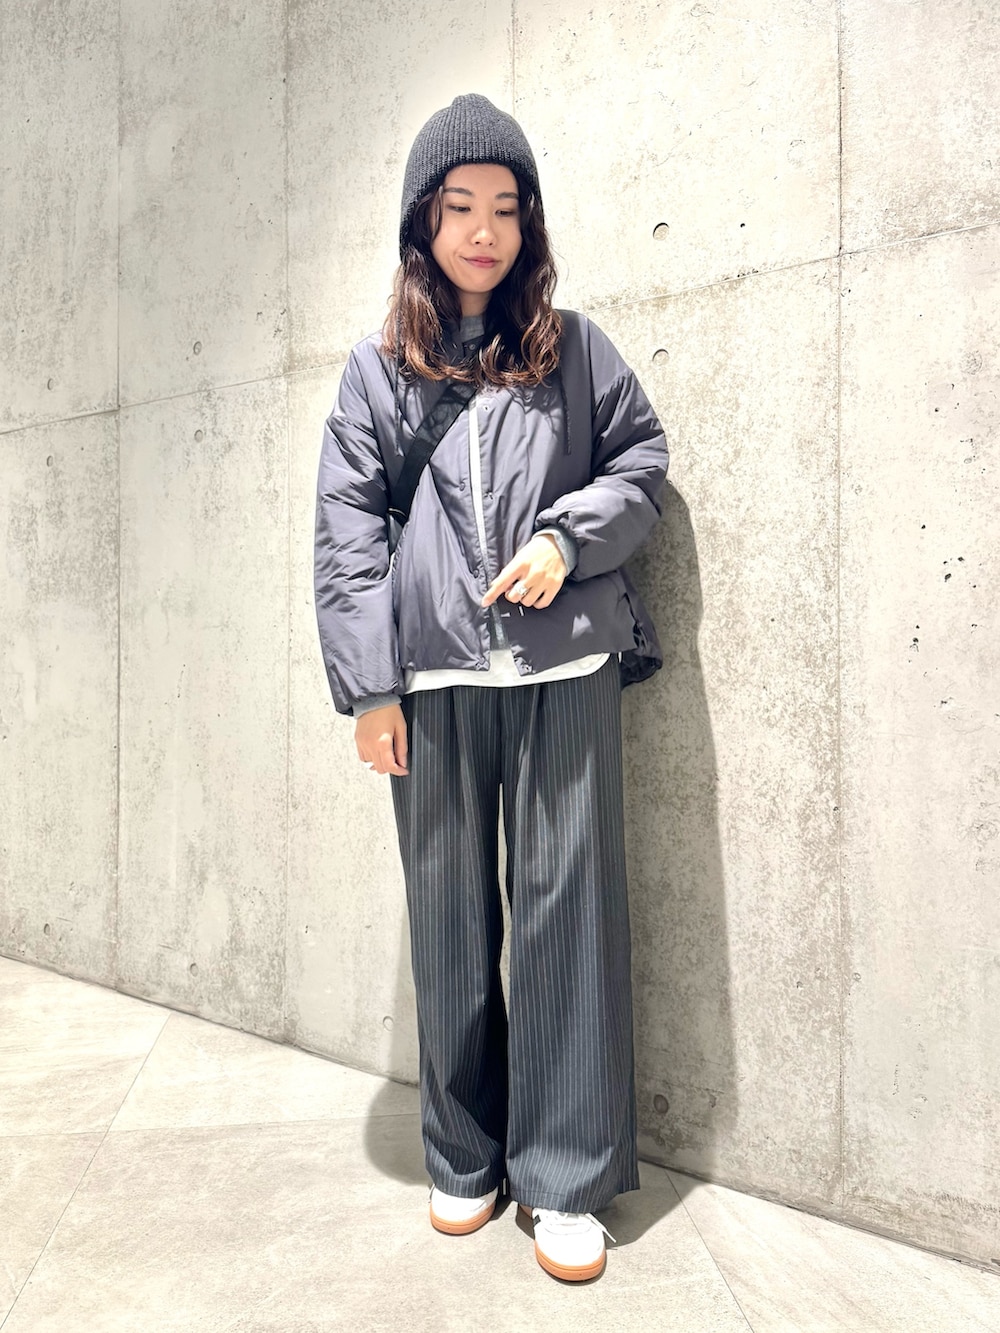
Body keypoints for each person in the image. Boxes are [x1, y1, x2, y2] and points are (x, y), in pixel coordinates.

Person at [314, 94, 668, 1282]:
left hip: (563, 663)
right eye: (460, 206)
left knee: (569, 914)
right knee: (449, 917)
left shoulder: (574, 348)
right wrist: (370, 688)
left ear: (529, 224)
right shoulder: (377, 371)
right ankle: (462, 1152)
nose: (483, 231)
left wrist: (569, 538)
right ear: (423, 221)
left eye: (505, 209)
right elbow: (347, 533)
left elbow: (639, 461)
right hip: (431, 678)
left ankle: (564, 1177)